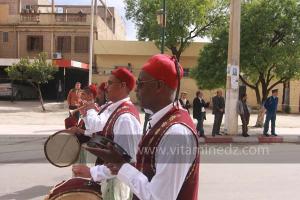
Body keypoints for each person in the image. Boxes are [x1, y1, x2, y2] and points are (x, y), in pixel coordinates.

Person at [84, 54, 199, 200]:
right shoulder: (161, 121)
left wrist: (121, 166)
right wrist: (116, 165)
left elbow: (158, 197)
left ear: (159, 86)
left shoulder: (177, 133)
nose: (136, 89)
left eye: (141, 83)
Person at [70, 67, 142, 200]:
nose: (106, 87)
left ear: (122, 86)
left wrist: (92, 172)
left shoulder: (125, 118)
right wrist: (86, 113)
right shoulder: (112, 108)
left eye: (110, 83)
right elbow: (94, 128)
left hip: (116, 182)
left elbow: (126, 161)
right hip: (109, 177)